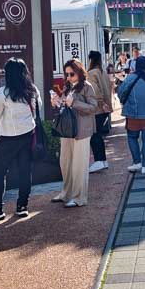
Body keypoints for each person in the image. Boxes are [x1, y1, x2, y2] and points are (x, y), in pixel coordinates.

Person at [0, 58, 41, 221]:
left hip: (9, 138)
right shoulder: (32, 90)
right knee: (24, 171)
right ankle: (22, 206)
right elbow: (36, 109)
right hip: (28, 135)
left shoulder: (2, 94)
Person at [50, 59, 98, 207]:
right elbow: (65, 106)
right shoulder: (68, 87)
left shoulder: (87, 87)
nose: (69, 77)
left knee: (79, 165)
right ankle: (67, 193)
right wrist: (57, 102)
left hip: (81, 131)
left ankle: (79, 197)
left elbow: (93, 107)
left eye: (71, 74)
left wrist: (74, 103)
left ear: (79, 72)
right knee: (65, 163)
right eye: (67, 74)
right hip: (67, 130)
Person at [117, 55, 145, 174]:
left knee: (132, 137)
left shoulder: (130, 78)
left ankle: (137, 162)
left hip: (133, 114)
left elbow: (120, 93)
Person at [86, 50, 114, 173]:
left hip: (98, 108)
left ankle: (99, 161)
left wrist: (101, 103)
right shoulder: (103, 73)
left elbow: (95, 90)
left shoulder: (91, 73)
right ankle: (102, 161)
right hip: (105, 108)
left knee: (93, 134)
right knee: (98, 134)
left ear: (90, 60)